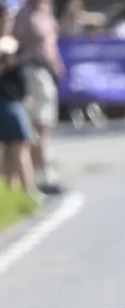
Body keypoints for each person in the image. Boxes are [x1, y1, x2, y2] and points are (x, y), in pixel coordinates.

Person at [12, 0, 65, 194]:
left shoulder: (46, 10)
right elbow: (18, 40)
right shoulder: (25, 13)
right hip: (33, 69)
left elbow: (51, 42)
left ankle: (43, 173)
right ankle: (43, 177)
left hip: (47, 70)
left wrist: (57, 65)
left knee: (46, 123)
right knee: (39, 123)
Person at [0, 2, 37, 200]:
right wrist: (4, 62)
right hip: (5, 100)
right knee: (17, 147)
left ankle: (17, 193)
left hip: (17, 97)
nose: (7, 22)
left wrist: (27, 96)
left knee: (15, 147)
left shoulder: (13, 41)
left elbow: (22, 75)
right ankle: (25, 193)